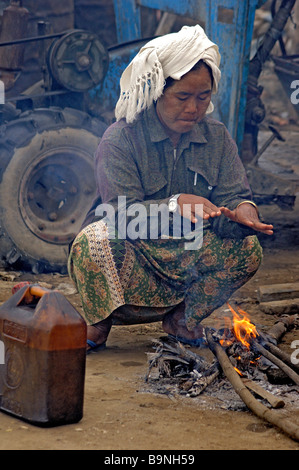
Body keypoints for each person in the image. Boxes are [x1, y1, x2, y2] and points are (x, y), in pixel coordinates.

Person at [68, 25, 273, 353]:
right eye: (182, 97)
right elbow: (121, 214)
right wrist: (175, 204)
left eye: (203, 97)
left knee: (248, 248)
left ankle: (182, 319)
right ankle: (100, 322)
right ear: (156, 93)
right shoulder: (120, 139)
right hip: (134, 248)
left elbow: (235, 195)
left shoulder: (216, 136)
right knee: (92, 244)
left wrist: (244, 213)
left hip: (187, 251)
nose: (193, 108)